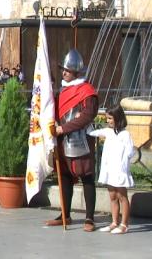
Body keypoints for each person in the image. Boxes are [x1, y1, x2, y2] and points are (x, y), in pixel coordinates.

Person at [46, 49, 99, 232]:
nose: (63, 72)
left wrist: (64, 128)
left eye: (67, 70)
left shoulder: (87, 91)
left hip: (81, 139)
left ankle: (90, 218)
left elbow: (87, 115)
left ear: (76, 72)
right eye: (63, 69)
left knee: (87, 177)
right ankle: (65, 215)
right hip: (62, 140)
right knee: (66, 177)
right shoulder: (62, 91)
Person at [89, 105, 135, 234]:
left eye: (110, 118)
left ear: (118, 118)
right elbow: (92, 132)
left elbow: (130, 152)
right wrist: (84, 121)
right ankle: (114, 222)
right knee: (112, 195)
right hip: (109, 169)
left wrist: (123, 165)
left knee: (122, 195)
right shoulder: (108, 132)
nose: (108, 121)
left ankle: (124, 224)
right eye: (107, 118)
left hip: (119, 170)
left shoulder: (125, 134)